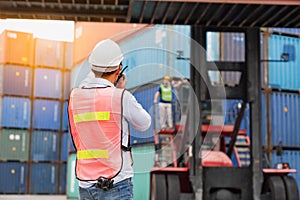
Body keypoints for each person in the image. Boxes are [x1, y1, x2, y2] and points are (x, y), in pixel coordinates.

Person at [68, 39, 151, 200]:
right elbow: (144, 123)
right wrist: (120, 92)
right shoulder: (121, 98)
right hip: (116, 185)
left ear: (92, 67)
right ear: (119, 69)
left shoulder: (75, 97)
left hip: (85, 187)